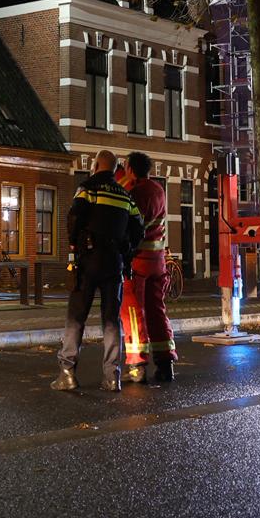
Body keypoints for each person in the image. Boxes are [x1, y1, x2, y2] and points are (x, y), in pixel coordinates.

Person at [52, 150, 144, 392]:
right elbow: (139, 228)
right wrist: (128, 251)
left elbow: (74, 216)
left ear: (95, 165)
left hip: (89, 259)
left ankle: (67, 373)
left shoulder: (88, 188)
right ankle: (112, 376)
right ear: (114, 170)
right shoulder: (125, 196)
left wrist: (74, 243)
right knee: (112, 320)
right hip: (114, 263)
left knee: (76, 317)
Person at [117, 151, 177, 383]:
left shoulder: (135, 192)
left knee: (132, 312)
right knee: (156, 311)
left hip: (137, 261)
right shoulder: (158, 190)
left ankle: (137, 364)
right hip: (158, 261)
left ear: (131, 169)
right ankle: (165, 362)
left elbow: (130, 227)